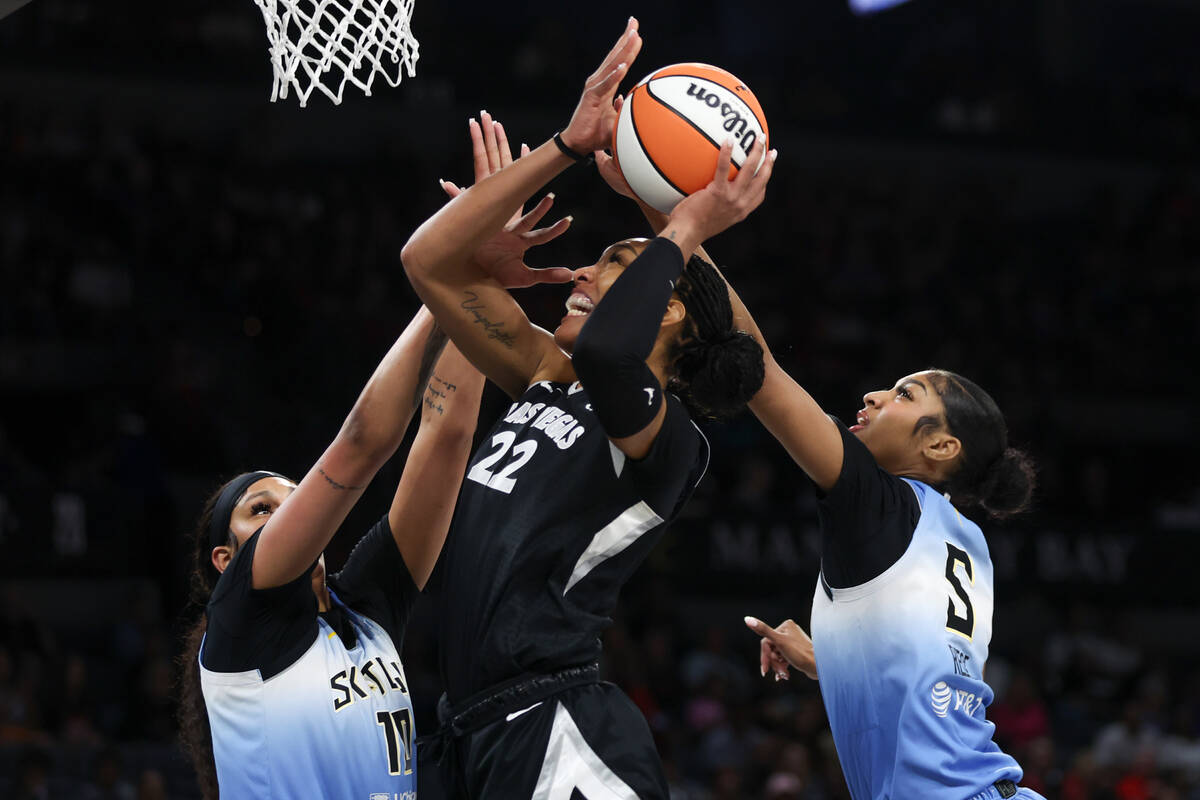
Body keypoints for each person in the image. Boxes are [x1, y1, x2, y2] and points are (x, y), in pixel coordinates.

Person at [590, 110, 1044, 799]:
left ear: (942, 445)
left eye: (904, 394)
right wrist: (832, 663)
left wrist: (668, 210)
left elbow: (759, 366)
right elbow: (929, 691)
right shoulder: (968, 543)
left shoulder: (880, 502)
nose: (872, 396)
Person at [400, 17, 775, 798]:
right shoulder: (547, 371)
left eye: (613, 263)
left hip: (558, 725)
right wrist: (564, 148)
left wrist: (682, 223)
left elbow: (610, 353)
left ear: (668, 310)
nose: (581, 268)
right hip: (469, 729)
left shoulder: (670, 441)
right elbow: (427, 261)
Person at [177, 305, 490, 800]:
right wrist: (444, 281)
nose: (286, 513)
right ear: (225, 559)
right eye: (261, 509)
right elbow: (363, 443)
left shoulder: (366, 609)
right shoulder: (239, 620)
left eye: (294, 497)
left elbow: (448, 434)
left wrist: (475, 292)